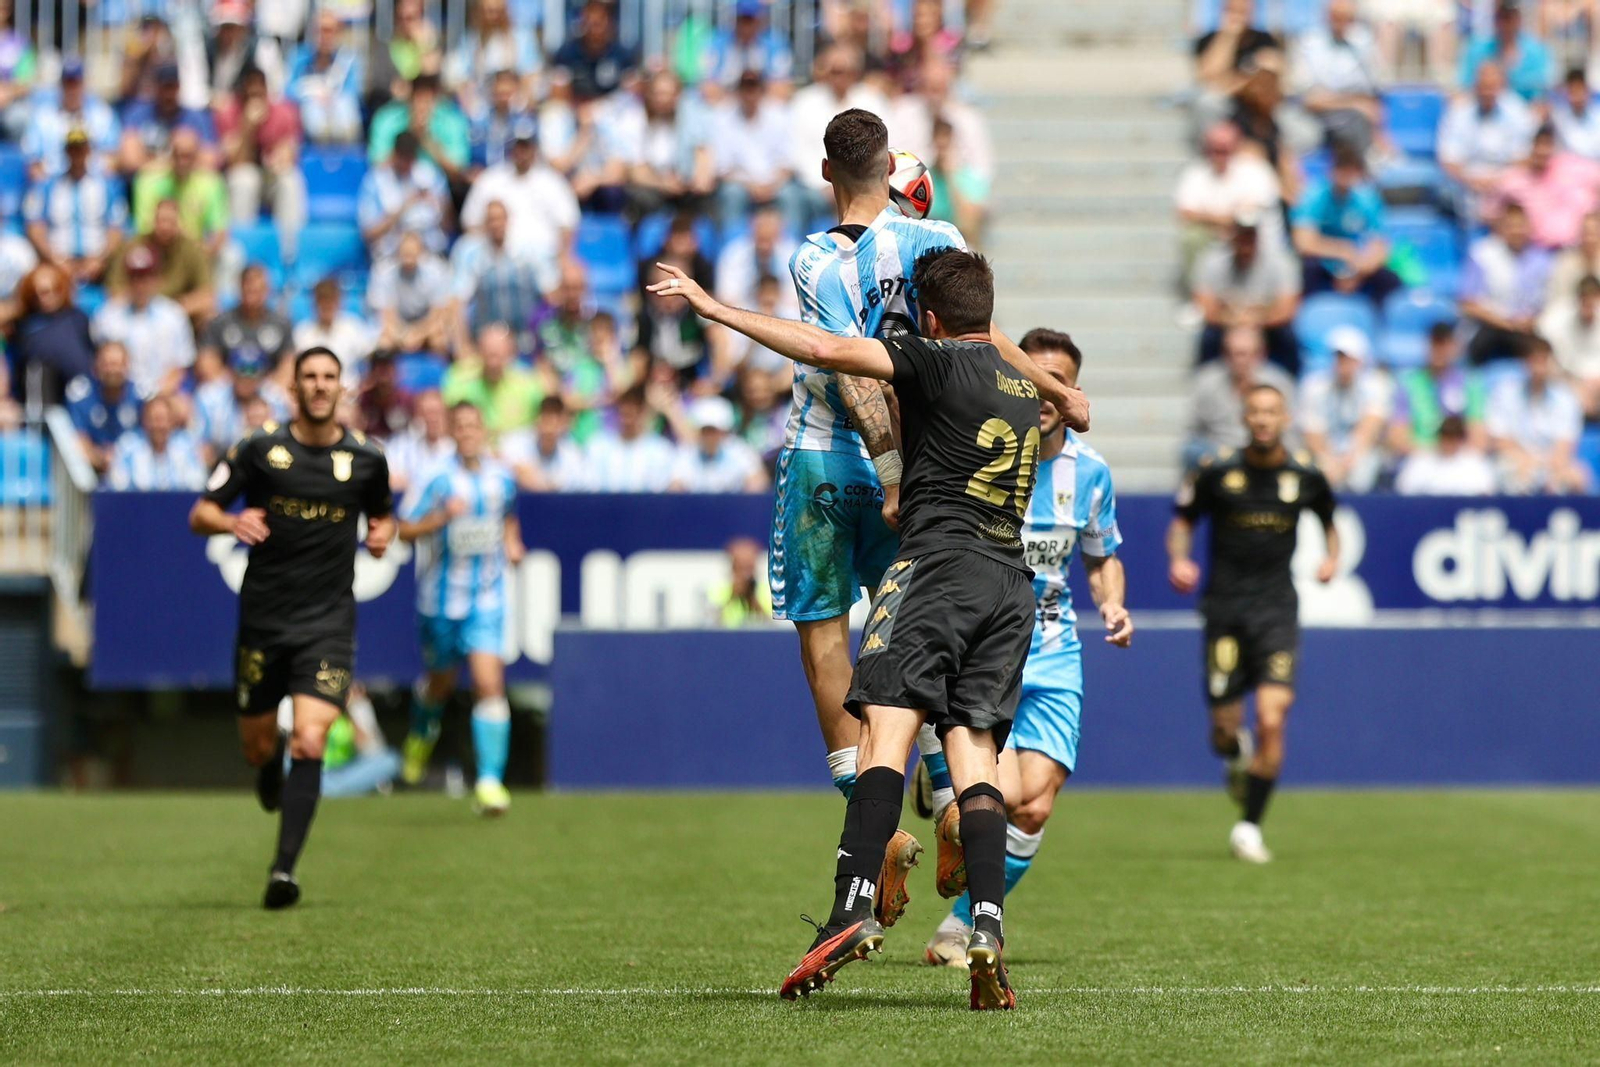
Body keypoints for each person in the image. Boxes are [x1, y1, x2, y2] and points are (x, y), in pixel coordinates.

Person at [649, 246, 1085, 1010]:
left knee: (884, 732)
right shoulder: (1021, 383)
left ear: (935, 317)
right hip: (1007, 584)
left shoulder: (934, 361)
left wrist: (714, 309)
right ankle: (986, 925)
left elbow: (824, 348)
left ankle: (850, 911)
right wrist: (1062, 390)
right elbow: (1031, 375)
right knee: (974, 756)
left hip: (936, 569)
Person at [917, 328, 1133, 969]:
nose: (1043, 392)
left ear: (1071, 392)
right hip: (990, 648)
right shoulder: (980, 448)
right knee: (998, 794)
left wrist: (1112, 602)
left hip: (1057, 651)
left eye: (1057, 380)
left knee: (1034, 805)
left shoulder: (1091, 474)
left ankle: (954, 929)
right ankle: (943, 782)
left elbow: (1103, 554)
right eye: (1033, 376)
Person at [188, 347, 394, 909]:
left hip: (327, 624)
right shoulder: (259, 449)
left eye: (330, 376)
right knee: (259, 747)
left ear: (341, 387)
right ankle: (266, 766)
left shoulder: (368, 458)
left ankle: (283, 870)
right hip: (264, 621)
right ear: (295, 387)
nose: (321, 386)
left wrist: (381, 533)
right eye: (310, 377)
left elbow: (383, 513)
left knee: (311, 739)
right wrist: (232, 519)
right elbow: (199, 513)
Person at [1167, 385, 1338, 865]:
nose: (1263, 420)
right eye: (1255, 412)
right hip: (1224, 612)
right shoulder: (1217, 470)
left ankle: (1248, 827)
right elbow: (1182, 520)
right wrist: (1179, 560)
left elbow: (1330, 519)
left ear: (1284, 417)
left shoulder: (1304, 474)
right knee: (1224, 730)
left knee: (1271, 717)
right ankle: (1235, 754)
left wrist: (1331, 559)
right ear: (1246, 418)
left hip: (1277, 612)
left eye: (1271, 412)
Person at [398, 401, 525, 815]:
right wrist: (438, 519)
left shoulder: (502, 477)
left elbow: (507, 516)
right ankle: (420, 736)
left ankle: (490, 782)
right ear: (452, 432)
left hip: (486, 598)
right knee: (441, 684)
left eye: (475, 425)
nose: (469, 432)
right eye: (461, 426)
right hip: (439, 601)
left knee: (489, 685)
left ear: (484, 430)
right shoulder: (435, 478)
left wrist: (511, 542)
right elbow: (403, 529)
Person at [1291, 145, 1400, 308]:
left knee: (1390, 281)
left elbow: (1380, 244)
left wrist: (1360, 270)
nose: (1345, 177)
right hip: (1323, 263)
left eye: (1350, 171)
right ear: (1331, 170)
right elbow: (1303, 242)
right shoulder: (1313, 195)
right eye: (1341, 170)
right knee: (1304, 272)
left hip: (1358, 264)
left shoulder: (1367, 198)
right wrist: (1343, 251)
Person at [1192, 212, 1301, 372]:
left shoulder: (1280, 262)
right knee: (1209, 337)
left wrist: (1254, 319)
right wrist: (1235, 319)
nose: (1245, 242)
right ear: (1233, 237)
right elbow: (1205, 308)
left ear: (1257, 237)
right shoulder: (1212, 261)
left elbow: (1287, 308)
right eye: (1241, 236)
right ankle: (1205, 380)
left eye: (1250, 236)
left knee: (1287, 337)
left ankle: (1287, 381)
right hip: (1227, 323)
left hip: (1266, 325)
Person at [1486, 334, 1590, 492]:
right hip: (1515, 460)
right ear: (1525, 363)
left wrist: (1541, 464)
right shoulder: (1505, 393)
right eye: (1535, 361)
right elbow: (1500, 439)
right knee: (1513, 477)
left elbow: (1565, 446)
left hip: (1551, 464)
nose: (1539, 368)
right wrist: (1525, 460)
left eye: (1543, 361)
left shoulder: (1566, 399)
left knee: (1577, 477)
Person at [24, 127, 127, 285]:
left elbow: (116, 228)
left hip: (98, 265)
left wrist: (99, 260)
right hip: (58, 263)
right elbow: (35, 226)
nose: (77, 153)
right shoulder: (47, 187)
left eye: (81, 148)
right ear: (66, 151)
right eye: (72, 149)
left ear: (89, 150)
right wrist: (55, 259)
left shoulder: (107, 186)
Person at [1186, 324, 1297, 467]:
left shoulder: (1280, 383)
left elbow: (1292, 431)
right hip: (1217, 455)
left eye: (1244, 354)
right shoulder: (1206, 382)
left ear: (1261, 354)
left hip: (1267, 452)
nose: (1239, 360)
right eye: (1232, 353)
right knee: (1191, 451)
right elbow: (1193, 431)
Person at [92, 245, 195, 398]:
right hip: (120, 397)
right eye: (135, 277)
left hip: (163, 396)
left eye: (146, 277)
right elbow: (102, 364)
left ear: (157, 279)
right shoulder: (108, 316)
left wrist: (157, 396)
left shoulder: (173, 315)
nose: (140, 284)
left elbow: (180, 366)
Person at [1298, 326, 1393, 492]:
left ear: (1361, 360)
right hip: (1327, 454)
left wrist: (1348, 461)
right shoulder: (1314, 386)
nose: (1343, 363)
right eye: (1339, 357)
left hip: (1359, 455)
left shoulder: (1377, 384)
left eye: (1349, 358)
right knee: (1316, 467)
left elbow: (1369, 430)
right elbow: (1312, 431)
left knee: (1362, 470)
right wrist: (1330, 462)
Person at [1460, 201, 1552, 363]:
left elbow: (1549, 302)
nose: (1516, 231)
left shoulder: (1542, 260)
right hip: (1491, 327)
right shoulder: (1482, 254)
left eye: (1520, 225)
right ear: (1501, 227)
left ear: (1529, 227)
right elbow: (1468, 304)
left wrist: (1531, 321)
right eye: (1511, 226)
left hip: (1526, 329)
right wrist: (1505, 323)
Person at [1294, 0, 1383, 152]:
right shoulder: (1309, 44)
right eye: (1337, 16)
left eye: (1348, 18)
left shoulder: (1364, 42)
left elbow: (1372, 95)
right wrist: (1354, 103)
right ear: (1326, 16)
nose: (1342, 23)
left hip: (1355, 118)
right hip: (1317, 118)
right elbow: (1310, 100)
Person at [1390, 322, 1489, 456]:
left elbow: (1478, 434)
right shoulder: (1409, 383)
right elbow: (1397, 436)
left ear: (1455, 347)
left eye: (1444, 344)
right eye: (1435, 344)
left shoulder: (1470, 383)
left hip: (1460, 455)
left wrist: (1454, 452)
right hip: (1420, 455)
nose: (1439, 350)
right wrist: (1433, 451)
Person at [1494, 124, 1600, 249]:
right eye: (1538, 145)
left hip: (1578, 250)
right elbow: (1493, 210)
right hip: (1537, 251)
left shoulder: (1571, 165)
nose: (1542, 150)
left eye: (1547, 145)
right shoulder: (1517, 179)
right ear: (1530, 147)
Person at [369, 232, 453, 355]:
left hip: (427, 329)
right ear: (398, 252)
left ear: (421, 252)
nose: (408, 257)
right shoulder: (383, 272)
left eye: (412, 253)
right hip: (397, 330)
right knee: (384, 343)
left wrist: (418, 335)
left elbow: (438, 315)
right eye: (405, 253)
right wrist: (404, 336)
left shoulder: (436, 271)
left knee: (440, 340)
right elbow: (387, 317)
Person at [66, 341, 142, 476]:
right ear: (96, 366)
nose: (112, 370)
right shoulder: (81, 394)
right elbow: (77, 439)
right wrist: (99, 458)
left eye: (117, 364)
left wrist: (122, 460)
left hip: (134, 472)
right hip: (91, 470)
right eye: (107, 364)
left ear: (127, 366)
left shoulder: (140, 396)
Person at [581, 384, 676, 491]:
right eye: (623, 413)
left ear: (642, 413)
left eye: (632, 414)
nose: (627, 420)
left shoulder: (660, 449)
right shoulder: (597, 445)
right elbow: (589, 487)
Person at [669, 394, 769, 492]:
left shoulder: (741, 451)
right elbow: (675, 488)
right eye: (705, 430)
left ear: (724, 431)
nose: (709, 436)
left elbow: (758, 483)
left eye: (713, 430)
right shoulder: (687, 452)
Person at [107, 393, 207, 490]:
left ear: (172, 422)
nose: (159, 426)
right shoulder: (127, 447)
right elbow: (118, 487)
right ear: (144, 421)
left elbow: (197, 485)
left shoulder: (187, 447)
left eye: (163, 419)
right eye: (154, 419)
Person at [1458, 0, 1552, 102]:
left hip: (1527, 110)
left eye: (1510, 17)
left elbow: (1544, 89)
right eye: (1502, 17)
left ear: (1519, 19)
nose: (1506, 24)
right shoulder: (1477, 50)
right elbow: (1465, 85)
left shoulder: (1537, 52)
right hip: (1484, 110)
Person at [1539, 274, 1600, 416]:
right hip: (1567, 384)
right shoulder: (1556, 319)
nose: (1588, 306)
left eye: (1593, 299)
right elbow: (1548, 360)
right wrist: (1573, 385)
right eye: (1585, 299)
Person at [500, 394, 587, 490]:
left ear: (564, 425)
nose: (549, 429)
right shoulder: (515, 444)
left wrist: (544, 485)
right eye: (546, 420)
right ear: (537, 420)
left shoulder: (572, 454)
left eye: (556, 422)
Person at [1395, 414, 1498, 495]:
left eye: (1454, 437)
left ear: (1461, 439)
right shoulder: (1421, 461)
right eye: (1446, 436)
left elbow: (1487, 494)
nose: (1449, 442)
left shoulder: (1475, 463)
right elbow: (1404, 491)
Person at [708, 535, 772, 627]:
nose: (745, 575)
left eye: (748, 568)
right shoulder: (716, 591)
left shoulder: (768, 592)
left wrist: (753, 601)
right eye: (740, 568)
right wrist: (731, 598)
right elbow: (710, 625)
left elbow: (774, 628)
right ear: (732, 567)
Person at [1552, 67, 1600, 160]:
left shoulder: (1598, 115)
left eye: (1580, 91)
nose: (1577, 97)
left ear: (1587, 90)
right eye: (1573, 92)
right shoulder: (1558, 119)